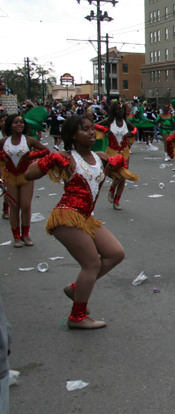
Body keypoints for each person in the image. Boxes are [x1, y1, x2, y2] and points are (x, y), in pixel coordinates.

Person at [25, 115, 137, 328]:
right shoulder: (67, 158)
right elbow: (29, 175)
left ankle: (76, 289)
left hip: (86, 217)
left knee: (115, 254)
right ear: (72, 135)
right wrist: (50, 159)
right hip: (67, 216)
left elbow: (119, 176)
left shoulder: (101, 156)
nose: (90, 132)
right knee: (92, 264)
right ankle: (77, 317)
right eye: (84, 129)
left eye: (91, 128)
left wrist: (117, 164)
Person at [0, 114, 50, 246]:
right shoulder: (4, 141)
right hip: (10, 177)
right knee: (14, 206)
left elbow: (46, 151)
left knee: (26, 206)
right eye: (16, 122)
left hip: (26, 176)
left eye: (21, 122)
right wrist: (3, 158)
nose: (19, 124)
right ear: (10, 125)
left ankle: (26, 235)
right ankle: (16, 236)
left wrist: (32, 156)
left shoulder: (29, 140)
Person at [96, 101, 136, 211]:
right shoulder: (109, 121)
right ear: (114, 110)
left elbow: (134, 129)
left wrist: (132, 134)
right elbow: (96, 125)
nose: (121, 111)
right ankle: (112, 189)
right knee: (114, 173)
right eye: (118, 109)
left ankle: (117, 200)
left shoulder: (126, 122)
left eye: (122, 109)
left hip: (124, 152)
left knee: (124, 174)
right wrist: (105, 130)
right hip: (112, 151)